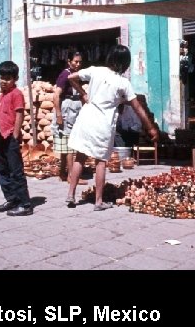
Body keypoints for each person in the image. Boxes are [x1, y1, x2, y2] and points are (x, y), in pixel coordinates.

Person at [65, 45, 160, 210]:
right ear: (125, 63)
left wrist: (83, 94)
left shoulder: (96, 70)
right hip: (103, 124)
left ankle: (70, 195)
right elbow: (137, 107)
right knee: (100, 161)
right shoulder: (123, 83)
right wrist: (151, 128)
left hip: (86, 119)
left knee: (80, 157)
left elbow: (71, 78)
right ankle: (98, 201)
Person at [0, 60, 33, 216]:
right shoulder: (2, 95)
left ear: (15, 79)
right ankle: (12, 198)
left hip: (10, 137)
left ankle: (25, 204)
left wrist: (15, 135)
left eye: (7, 78)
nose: (3, 81)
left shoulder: (16, 94)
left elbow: (19, 114)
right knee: (1, 169)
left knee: (16, 171)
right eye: (1, 77)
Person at [50, 51, 87, 184]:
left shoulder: (76, 75)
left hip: (73, 108)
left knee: (65, 143)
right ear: (69, 61)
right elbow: (56, 95)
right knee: (70, 143)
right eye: (75, 61)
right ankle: (72, 176)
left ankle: (62, 173)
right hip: (67, 109)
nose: (78, 64)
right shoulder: (65, 75)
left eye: (80, 62)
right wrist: (59, 115)